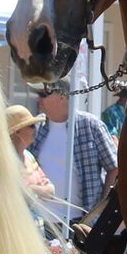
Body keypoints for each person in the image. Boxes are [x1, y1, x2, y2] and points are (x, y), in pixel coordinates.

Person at [30, 88, 116, 231]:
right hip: (42, 222)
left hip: (82, 223)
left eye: (44, 94)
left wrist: (101, 209)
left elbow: (114, 168)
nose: (39, 99)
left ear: (62, 96)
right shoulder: (36, 127)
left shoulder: (91, 125)